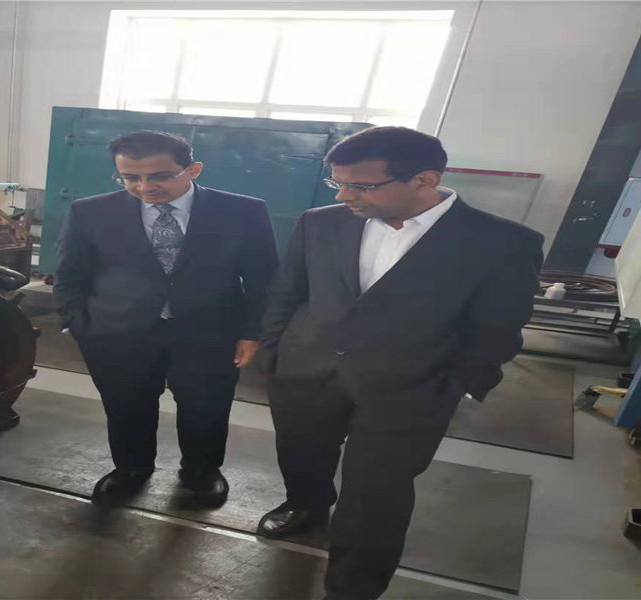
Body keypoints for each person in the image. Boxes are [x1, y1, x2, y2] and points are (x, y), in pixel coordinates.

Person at [255, 126, 543, 599]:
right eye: (337, 183)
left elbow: (498, 327)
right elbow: (287, 291)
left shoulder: (502, 243)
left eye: (362, 185)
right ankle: (306, 505)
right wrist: (275, 350)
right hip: (306, 371)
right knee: (302, 454)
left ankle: (353, 587)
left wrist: (456, 386)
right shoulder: (319, 222)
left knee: (376, 496)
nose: (344, 195)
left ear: (425, 179)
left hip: (411, 388)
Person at [55, 130, 278, 506]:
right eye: (130, 177)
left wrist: (252, 332)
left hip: (209, 333)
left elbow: (263, 279)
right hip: (117, 333)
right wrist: (79, 325)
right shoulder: (89, 211)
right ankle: (131, 468)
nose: (145, 187)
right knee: (126, 406)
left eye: (159, 176)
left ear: (193, 169)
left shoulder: (243, 211)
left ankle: (202, 472)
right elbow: (69, 275)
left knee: (206, 407)